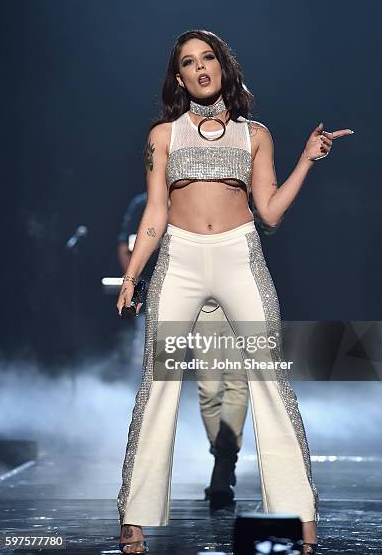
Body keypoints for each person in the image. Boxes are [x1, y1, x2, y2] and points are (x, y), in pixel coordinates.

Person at [115, 29, 354, 554]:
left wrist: (307, 161)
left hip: (239, 255)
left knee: (270, 384)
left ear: (223, 66)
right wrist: (133, 274)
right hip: (177, 259)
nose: (200, 68)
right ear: (178, 77)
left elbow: (268, 214)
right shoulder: (163, 136)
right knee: (158, 387)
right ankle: (133, 516)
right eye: (188, 63)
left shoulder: (256, 135)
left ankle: (302, 516)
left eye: (208, 58)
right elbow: (155, 213)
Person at [117, 191, 278, 510]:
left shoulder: (240, 177)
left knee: (237, 380)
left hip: (241, 282)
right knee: (208, 386)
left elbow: (269, 220)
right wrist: (132, 278)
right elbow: (138, 236)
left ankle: (222, 467)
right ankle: (222, 455)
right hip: (191, 288)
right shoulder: (163, 192)